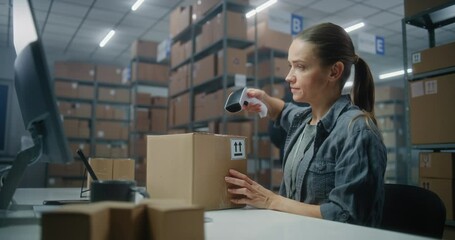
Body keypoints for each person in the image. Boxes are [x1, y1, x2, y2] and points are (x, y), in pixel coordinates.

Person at [224, 22, 387, 227]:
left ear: (334, 72)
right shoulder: (303, 119)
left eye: (300, 67)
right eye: (290, 65)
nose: (289, 77)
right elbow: (283, 110)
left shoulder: (358, 132)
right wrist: (264, 99)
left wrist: (271, 200)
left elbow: (347, 216)